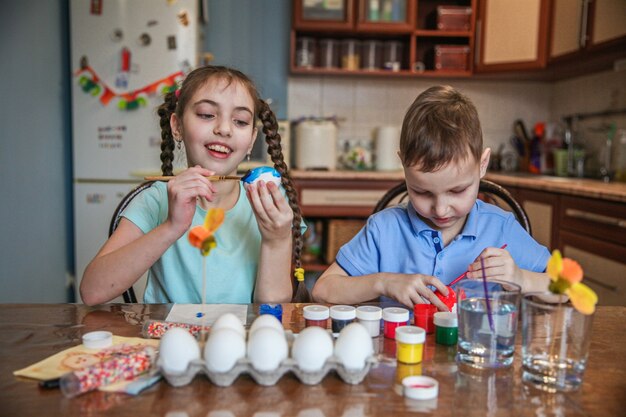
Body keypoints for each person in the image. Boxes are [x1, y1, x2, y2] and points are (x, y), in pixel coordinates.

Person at [80, 66, 304, 305]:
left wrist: (276, 240)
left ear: (251, 140)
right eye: (207, 114)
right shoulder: (155, 200)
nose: (224, 129)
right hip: (167, 339)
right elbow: (93, 292)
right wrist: (172, 226)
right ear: (177, 126)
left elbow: (273, 309)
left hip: (242, 338)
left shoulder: (269, 202)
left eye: (240, 121)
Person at [312, 85, 551, 310]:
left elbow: (570, 289)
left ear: (482, 165)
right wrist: (383, 282)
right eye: (423, 192)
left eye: (457, 191)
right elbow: (322, 290)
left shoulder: (501, 228)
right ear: (403, 167)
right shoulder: (384, 230)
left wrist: (522, 279)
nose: (441, 209)